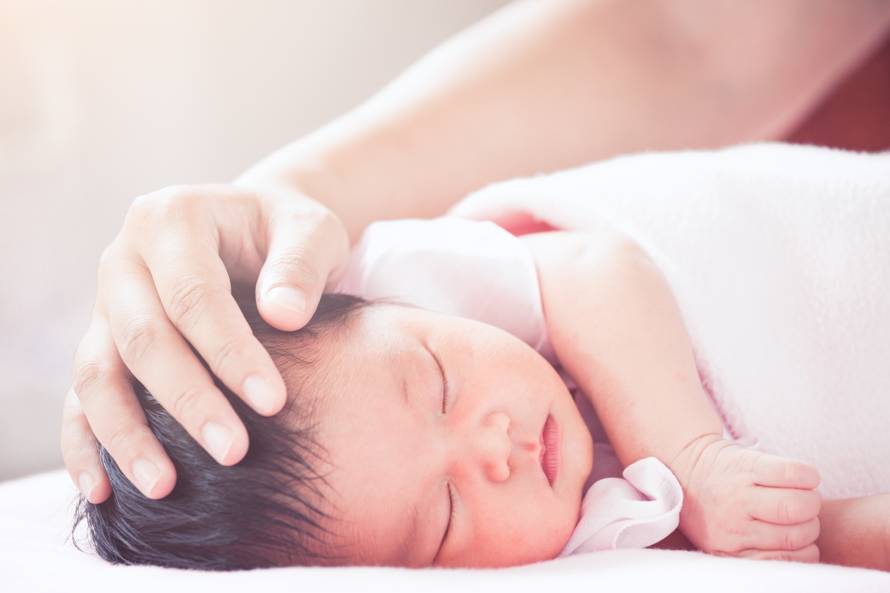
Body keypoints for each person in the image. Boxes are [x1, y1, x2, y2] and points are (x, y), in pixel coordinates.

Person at [61, 0, 890, 566]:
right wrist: (812, 528)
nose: (494, 448)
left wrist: (694, 456)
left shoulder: (413, 280)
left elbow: (597, 268)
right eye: (446, 515)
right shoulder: (566, 540)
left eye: (440, 380)